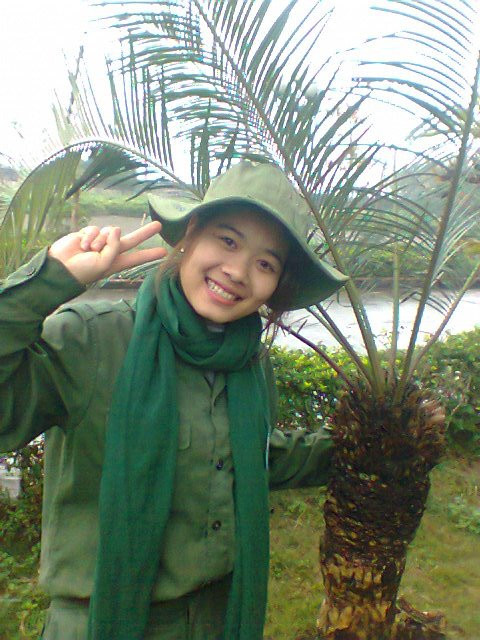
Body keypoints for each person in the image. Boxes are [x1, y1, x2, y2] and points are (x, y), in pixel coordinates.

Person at [0, 160, 347, 640]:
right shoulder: (93, 341)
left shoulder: (250, 364)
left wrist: (358, 445)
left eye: (265, 263)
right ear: (190, 234)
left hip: (218, 620)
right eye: (228, 241)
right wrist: (49, 282)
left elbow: (250, 459)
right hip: (102, 622)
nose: (238, 271)